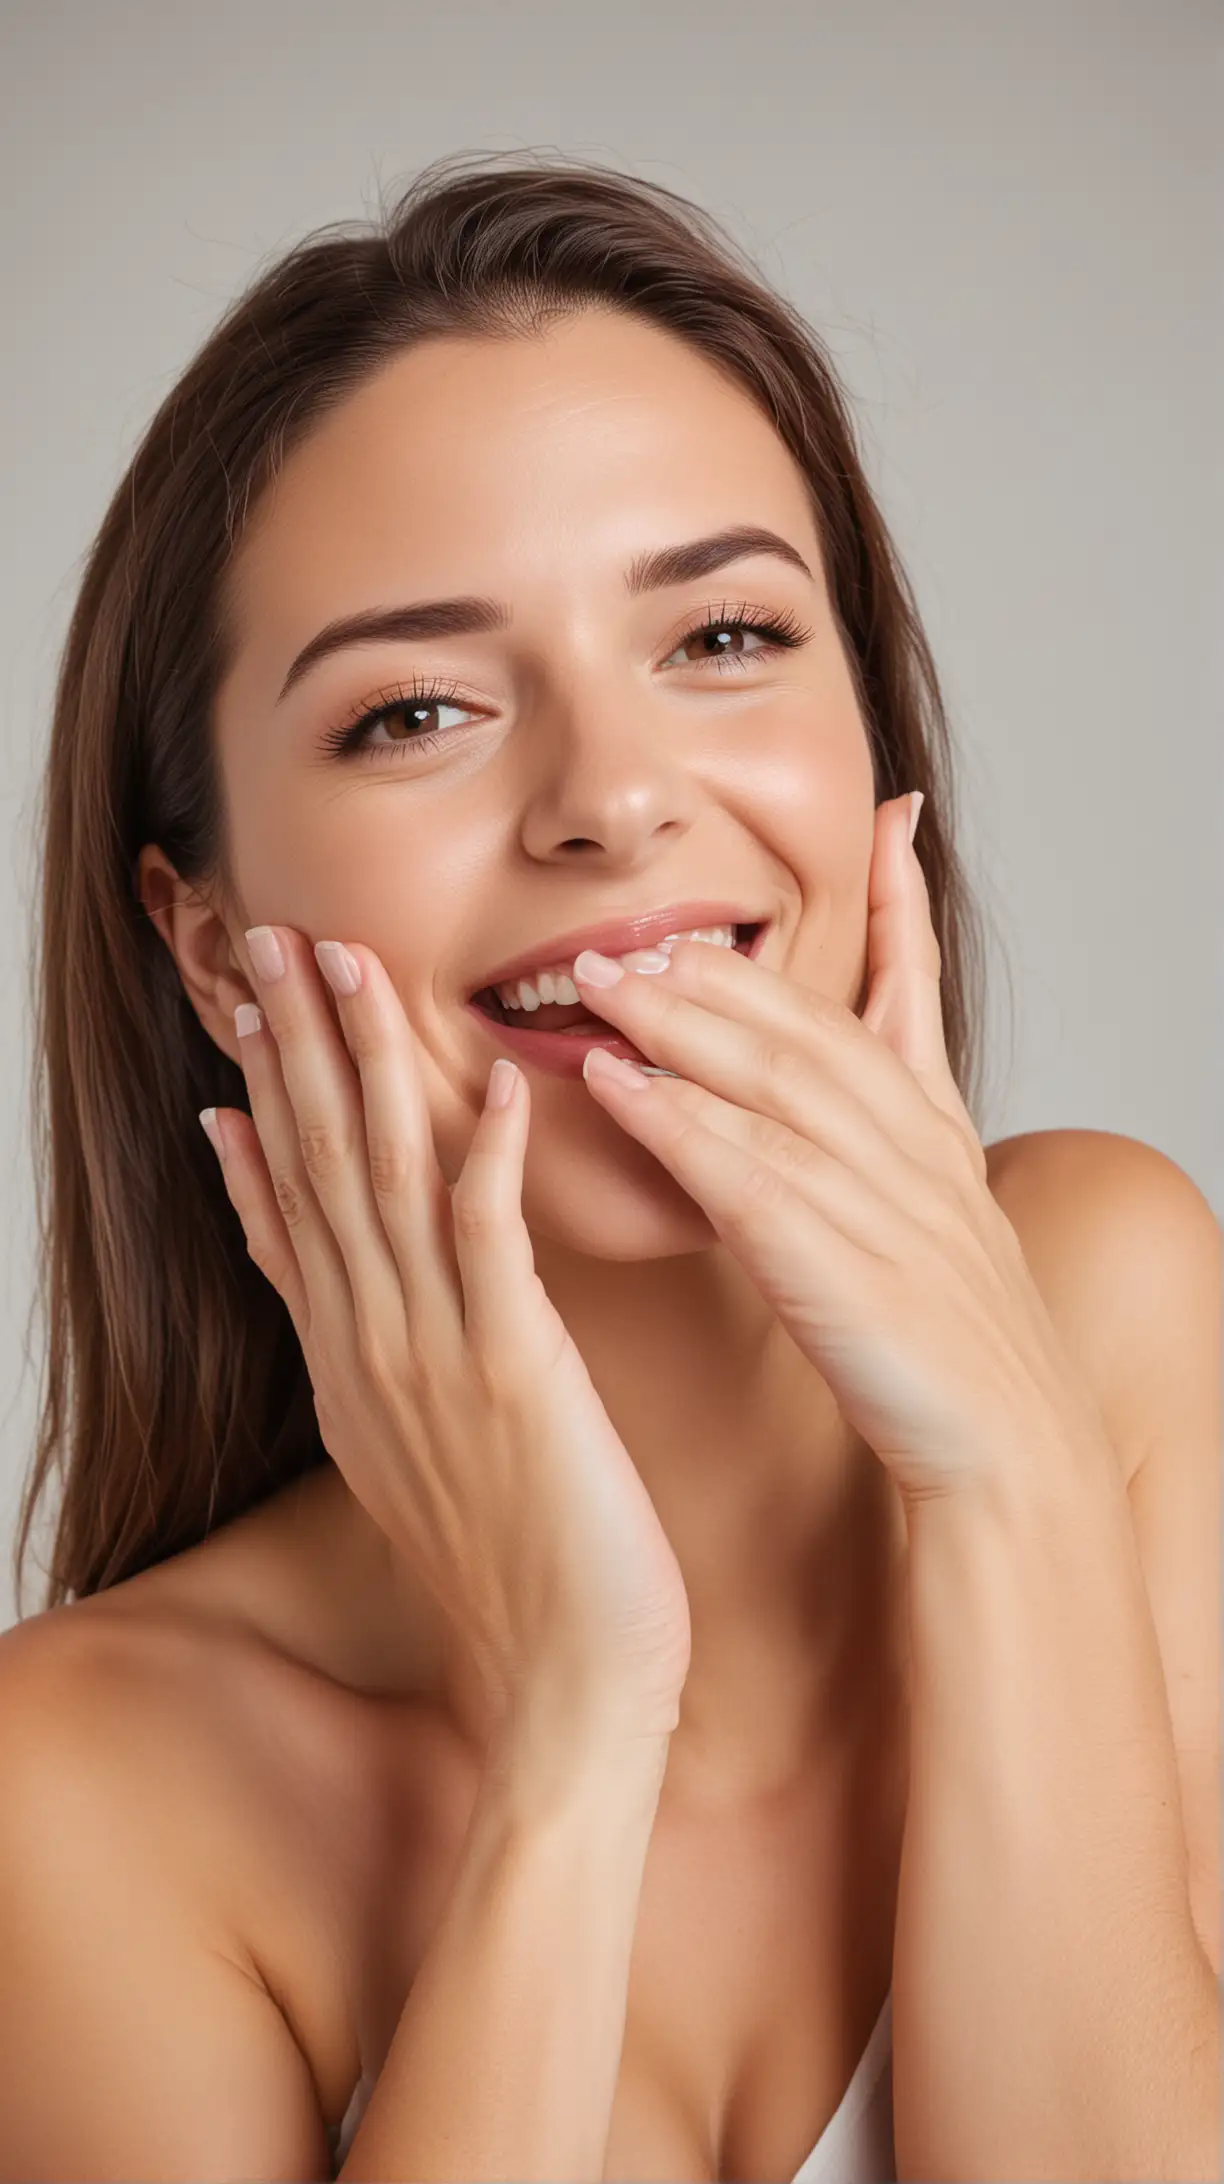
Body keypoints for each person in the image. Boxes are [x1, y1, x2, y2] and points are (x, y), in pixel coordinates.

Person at [3, 151, 1215, 2184]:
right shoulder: (83, 1791)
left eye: (724, 638)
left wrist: (1007, 1474)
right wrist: (576, 1716)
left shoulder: (1110, 1303)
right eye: (417, 710)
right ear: (212, 942)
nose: (614, 797)